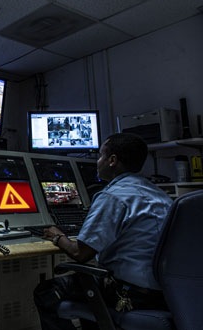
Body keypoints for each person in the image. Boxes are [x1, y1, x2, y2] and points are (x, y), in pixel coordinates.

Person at [33, 132, 172, 330]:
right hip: (165, 294)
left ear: (112, 160)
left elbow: (80, 253)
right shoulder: (161, 196)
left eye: (100, 156)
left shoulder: (112, 196)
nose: (98, 162)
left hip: (128, 294)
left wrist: (57, 235)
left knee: (46, 291)